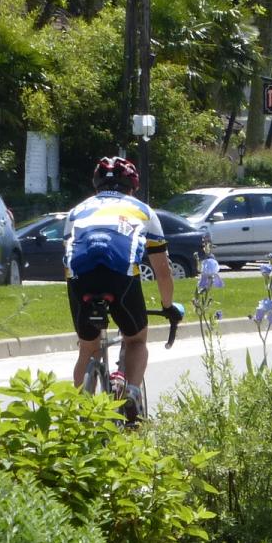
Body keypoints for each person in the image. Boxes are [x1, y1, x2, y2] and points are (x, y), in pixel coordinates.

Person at [64, 155, 178, 398]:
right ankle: (131, 395)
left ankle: (80, 416)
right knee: (136, 340)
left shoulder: (76, 211)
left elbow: (68, 255)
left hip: (80, 278)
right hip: (120, 278)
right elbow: (163, 273)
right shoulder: (143, 211)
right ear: (133, 187)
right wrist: (168, 306)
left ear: (96, 185)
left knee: (87, 349)